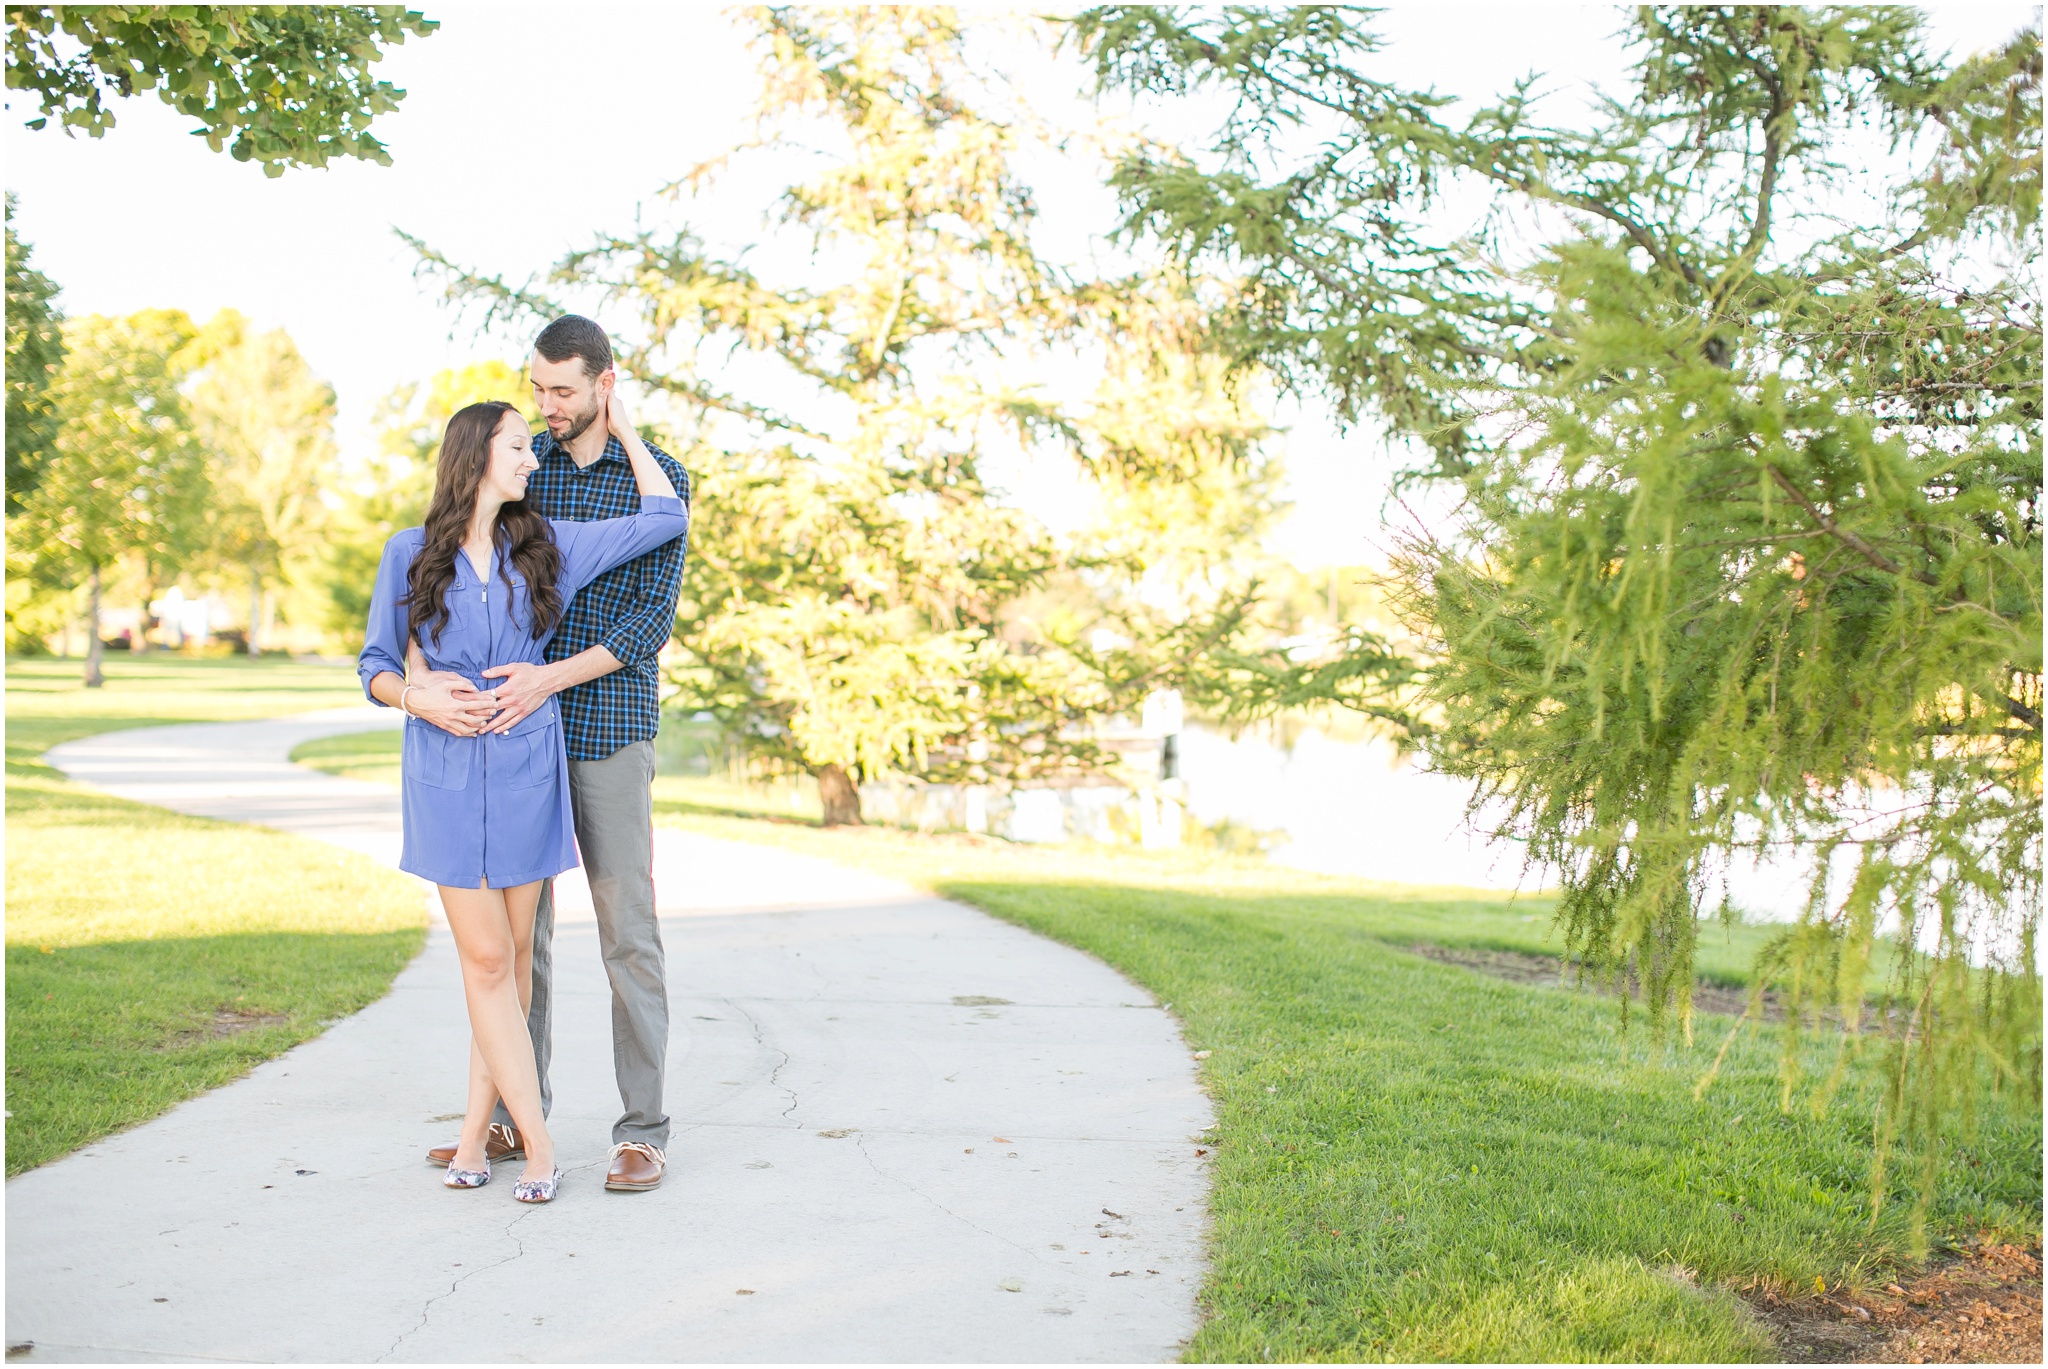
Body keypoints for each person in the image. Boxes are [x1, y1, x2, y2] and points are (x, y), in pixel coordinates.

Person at [358, 391, 686, 1203]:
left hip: (526, 771)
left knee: (513, 971)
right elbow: (374, 666)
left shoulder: (547, 548)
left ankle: (478, 1135)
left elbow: (664, 516)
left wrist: (624, 423)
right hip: (443, 771)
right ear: (477, 457)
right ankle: (537, 1144)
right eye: (517, 445)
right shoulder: (407, 551)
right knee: (487, 960)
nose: (533, 455)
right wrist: (416, 698)